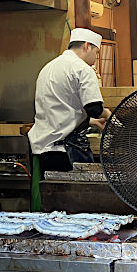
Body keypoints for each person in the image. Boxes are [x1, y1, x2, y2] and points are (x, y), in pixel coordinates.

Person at [28, 27, 111, 174]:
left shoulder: (48, 67)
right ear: (87, 46)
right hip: (68, 151)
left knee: (52, 195)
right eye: (96, 52)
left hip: (44, 149)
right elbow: (94, 108)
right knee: (78, 195)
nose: (95, 59)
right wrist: (108, 114)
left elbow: (58, 108)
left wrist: (91, 122)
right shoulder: (83, 69)